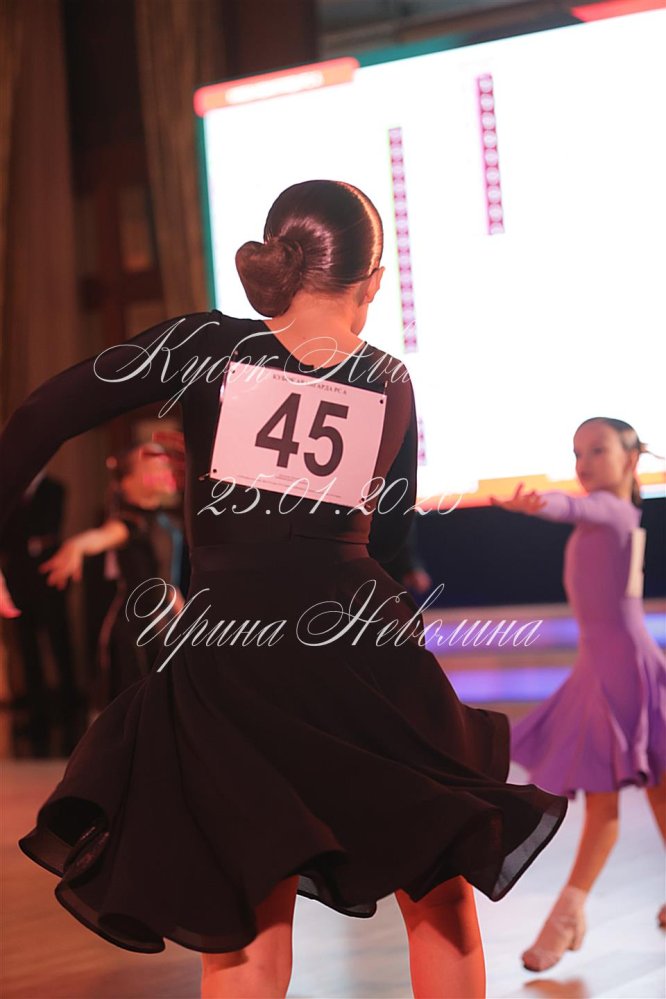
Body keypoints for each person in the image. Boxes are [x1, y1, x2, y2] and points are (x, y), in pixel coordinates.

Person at [0, 180, 568, 999]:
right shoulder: (388, 378)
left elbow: (42, 413)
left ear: (281, 259)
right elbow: (389, 533)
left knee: (246, 919)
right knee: (438, 892)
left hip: (234, 653)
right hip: (361, 644)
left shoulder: (206, 344)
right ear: (374, 279)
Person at [490, 417, 666, 973]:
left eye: (597, 451)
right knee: (658, 792)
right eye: (577, 452)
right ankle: (571, 914)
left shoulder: (610, 511)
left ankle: (566, 915)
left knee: (608, 802)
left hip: (622, 670)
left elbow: (573, 506)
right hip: (607, 665)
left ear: (630, 459)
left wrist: (539, 504)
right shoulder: (616, 516)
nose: (584, 463)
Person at [38, 442, 186, 713]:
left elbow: (168, 582)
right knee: (138, 710)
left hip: (165, 624)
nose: (163, 468)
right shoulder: (128, 522)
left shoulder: (168, 522)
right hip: (137, 631)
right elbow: (103, 536)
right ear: (128, 481)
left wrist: (182, 615)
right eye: (152, 464)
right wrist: (77, 546)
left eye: (165, 463)